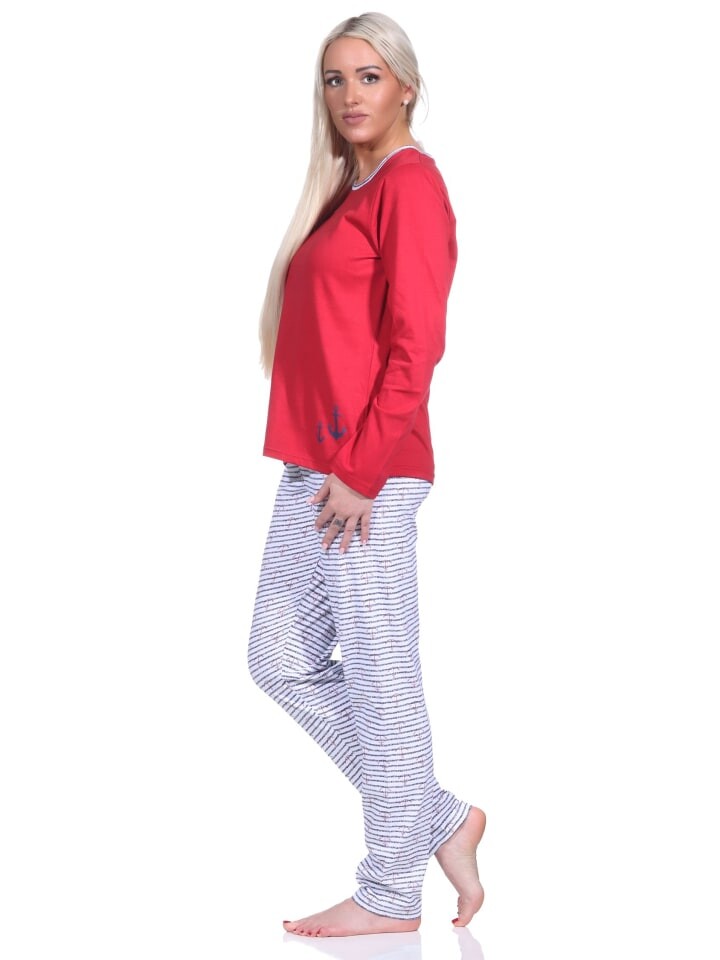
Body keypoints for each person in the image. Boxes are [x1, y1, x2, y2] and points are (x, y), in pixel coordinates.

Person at [248, 11, 486, 939]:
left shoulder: (411, 186)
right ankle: (439, 818)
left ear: (407, 86)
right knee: (279, 658)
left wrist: (363, 467)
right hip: (315, 465)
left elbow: (416, 345)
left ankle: (390, 890)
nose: (350, 95)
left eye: (369, 76)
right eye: (335, 79)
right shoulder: (349, 191)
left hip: (366, 471)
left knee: (381, 670)